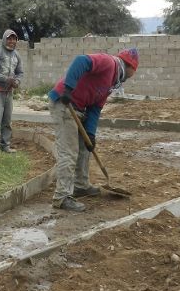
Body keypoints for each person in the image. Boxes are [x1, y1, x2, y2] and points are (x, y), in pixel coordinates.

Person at [48, 48, 139, 212]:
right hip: (64, 103)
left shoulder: (113, 81)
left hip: (80, 108)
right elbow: (81, 61)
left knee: (85, 148)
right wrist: (68, 88)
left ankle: (81, 185)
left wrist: (91, 133)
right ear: (130, 66)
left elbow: (96, 107)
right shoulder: (109, 63)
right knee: (69, 152)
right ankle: (61, 197)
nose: (134, 75)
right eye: (135, 70)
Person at [0, 29, 23, 152]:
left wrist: (17, 81)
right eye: (9, 38)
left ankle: (5, 145)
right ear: (4, 39)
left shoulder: (17, 55)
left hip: (9, 92)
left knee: (7, 121)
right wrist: (6, 79)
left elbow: (20, 72)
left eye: (14, 39)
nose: (12, 41)